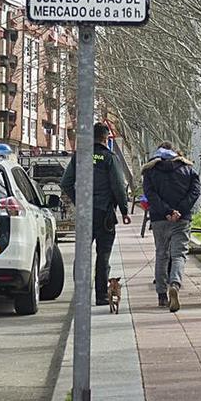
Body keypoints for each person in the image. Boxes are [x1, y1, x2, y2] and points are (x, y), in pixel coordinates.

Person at [60, 122, 131, 306]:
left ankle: (81, 295)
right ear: (105, 138)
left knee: (82, 253)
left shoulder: (80, 157)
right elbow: (118, 186)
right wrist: (124, 210)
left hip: (85, 213)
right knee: (103, 254)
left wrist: (80, 202)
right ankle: (101, 296)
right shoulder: (109, 157)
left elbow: (66, 183)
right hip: (104, 213)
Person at [142, 142, 201, 312]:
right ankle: (174, 283)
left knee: (161, 254)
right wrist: (179, 211)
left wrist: (166, 211)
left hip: (159, 219)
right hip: (182, 219)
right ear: (176, 153)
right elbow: (195, 192)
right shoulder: (188, 169)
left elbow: (150, 194)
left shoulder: (150, 171)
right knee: (179, 255)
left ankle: (161, 295)